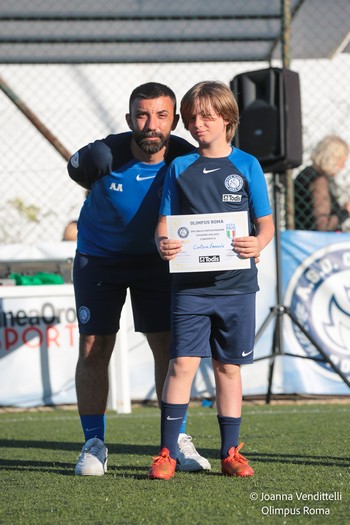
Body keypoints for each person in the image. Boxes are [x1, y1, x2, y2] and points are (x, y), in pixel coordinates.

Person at [67, 82, 211, 476]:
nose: (151, 124)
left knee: (167, 347)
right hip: (99, 259)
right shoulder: (103, 154)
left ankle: (175, 440)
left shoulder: (186, 156)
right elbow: (75, 169)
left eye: (162, 115)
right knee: (95, 346)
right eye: (143, 115)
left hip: (157, 261)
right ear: (130, 118)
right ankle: (94, 444)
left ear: (175, 121)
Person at [148, 81, 274, 480]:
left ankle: (230, 452)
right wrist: (162, 243)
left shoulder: (248, 165)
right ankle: (168, 451)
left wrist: (258, 243)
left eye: (207, 116)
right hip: (190, 287)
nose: (198, 124)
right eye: (192, 118)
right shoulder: (179, 167)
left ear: (227, 119)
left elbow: (266, 223)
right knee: (182, 363)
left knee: (228, 369)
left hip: (236, 286)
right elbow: (164, 222)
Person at [294, 135, 350, 231]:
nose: (343, 166)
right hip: (315, 241)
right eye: (342, 161)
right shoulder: (319, 181)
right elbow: (323, 225)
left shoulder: (306, 174)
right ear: (333, 159)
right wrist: (345, 212)